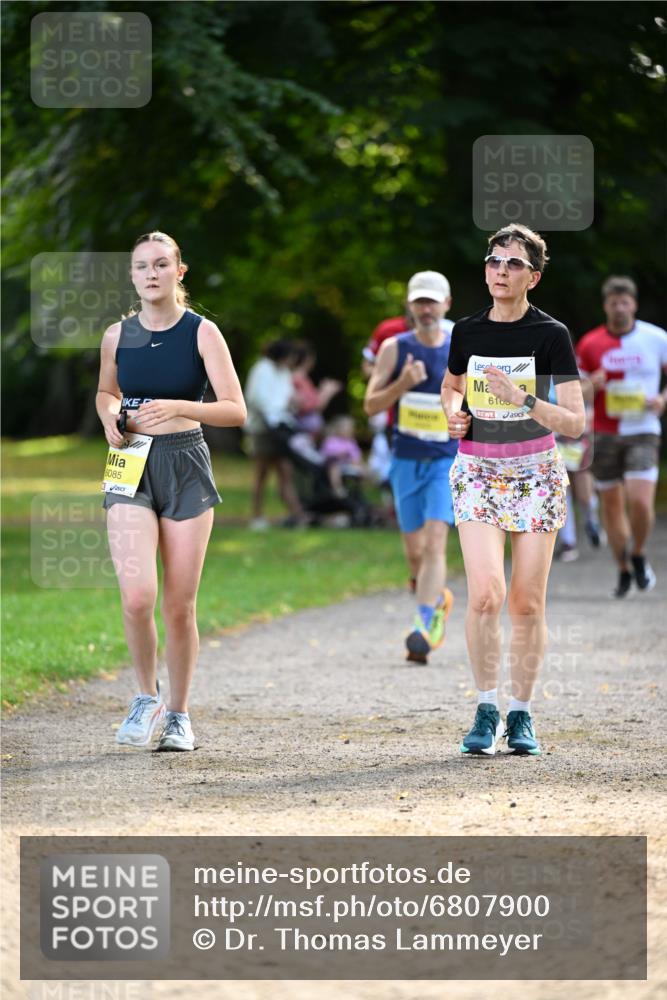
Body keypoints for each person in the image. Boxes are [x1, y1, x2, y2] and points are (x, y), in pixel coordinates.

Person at [96, 231, 246, 751]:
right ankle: (145, 696)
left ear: (179, 272)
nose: (152, 274)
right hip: (129, 464)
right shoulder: (117, 335)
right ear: (133, 276)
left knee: (179, 605)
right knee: (138, 596)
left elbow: (235, 409)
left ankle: (179, 714)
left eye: (162, 264)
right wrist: (109, 418)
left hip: (184, 462)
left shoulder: (202, 333)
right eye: (142, 267)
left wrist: (182, 407)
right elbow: (105, 391)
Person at [442, 223, 585, 756]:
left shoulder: (551, 335)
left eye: (513, 264)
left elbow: (573, 422)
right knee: (485, 594)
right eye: (494, 260)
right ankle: (484, 707)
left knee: (526, 602)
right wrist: (453, 415)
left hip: (536, 474)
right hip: (477, 470)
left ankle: (521, 715)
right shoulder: (467, 331)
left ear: (534, 277)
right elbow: (452, 386)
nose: (500, 270)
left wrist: (521, 399)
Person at [365, 271, 457, 664]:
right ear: (409, 306)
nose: (425, 309)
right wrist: (402, 383)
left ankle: (423, 627)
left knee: (436, 541)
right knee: (416, 553)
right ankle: (437, 600)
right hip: (405, 459)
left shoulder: (461, 345)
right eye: (419, 301)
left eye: (432, 301)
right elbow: (370, 405)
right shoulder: (394, 347)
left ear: (446, 304)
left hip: (446, 458)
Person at [576, 276, 667, 596]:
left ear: (634, 304)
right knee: (612, 506)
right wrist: (593, 385)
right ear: (606, 306)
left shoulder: (656, 338)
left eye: (625, 302)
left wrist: (663, 399)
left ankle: (639, 552)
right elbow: (575, 391)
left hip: (643, 429)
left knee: (640, 503)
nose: (619, 308)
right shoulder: (590, 343)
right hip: (604, 432)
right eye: (613, 303)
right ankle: (624, 568)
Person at [243, 340, 307, 529]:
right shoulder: (262, 369)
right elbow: (257, 398)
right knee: (262, 473)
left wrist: (293, 402)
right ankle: (256, 516)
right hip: (262, 429)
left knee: (285, 470)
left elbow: (285, 396)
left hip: (281, 428)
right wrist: (279, 406)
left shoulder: (284, 373)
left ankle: (297, 514)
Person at [291, 341, 343, 436]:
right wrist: (328, 391)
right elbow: (311, 406)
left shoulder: (300, 378)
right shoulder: (298, 379)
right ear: (308, 358)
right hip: (304, 431)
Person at [320, 414, 365, 497]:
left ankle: (362, 487)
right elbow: (325, 453)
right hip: (334, 464)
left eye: (350, 429)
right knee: (334, 469)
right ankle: (337, 488)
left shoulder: (351, 442)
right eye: (346, 429)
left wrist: (356, 460)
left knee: (362, 468)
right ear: (338, 429)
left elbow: (356, 454)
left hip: (347, 464)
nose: (349, 431)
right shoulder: (331, 440)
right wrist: (337, 454)